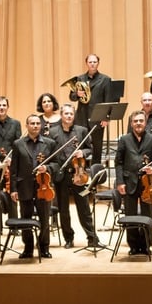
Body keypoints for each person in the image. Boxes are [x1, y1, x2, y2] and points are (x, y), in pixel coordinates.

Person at [49, 103, 102, 249]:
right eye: (66, 113)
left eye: (71, 114)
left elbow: (89, 149)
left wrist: (82, 153)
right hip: (61, 174)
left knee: (84, 207)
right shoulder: (53, 132)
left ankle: (92, 237)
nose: (69, 116)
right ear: (61, 115)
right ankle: (68, 238)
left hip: (79, 173)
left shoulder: (82, 131)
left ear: (74, 115)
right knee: (63, 209)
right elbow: (49, 152)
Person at [9, 114, 59, 258]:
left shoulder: (49, 143)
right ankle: (28, 248)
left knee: (44, 218)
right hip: (24, 186)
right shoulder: (18, 144)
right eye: (32, 123)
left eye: (38, 123)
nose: (36, 126)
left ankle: (44, 248)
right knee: (26, 218)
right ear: (27, 125)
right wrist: (13, 189)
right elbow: (14, 169)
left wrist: (47, 168)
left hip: (43, 187)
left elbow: (56, 164)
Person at [115, 110, 152, 255]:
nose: (138, 123)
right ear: (131, 123)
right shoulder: (124, 139)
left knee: (147, 215)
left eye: (141, 121)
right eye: (135, 121)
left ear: (145, 123)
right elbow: (118, 162)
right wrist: (120, 182)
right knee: (130, 215)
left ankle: (146, 244)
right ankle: (133, 246)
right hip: (129, 182)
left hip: (147, 183)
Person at [70, 54, 115, 165]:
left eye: (94, 62)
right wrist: (77, 94)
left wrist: (106, 118)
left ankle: (96, 171)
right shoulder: (79, 78)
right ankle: (81, 171)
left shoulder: (105, 79)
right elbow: (71, 97)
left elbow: (108, 100)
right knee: (81, 145)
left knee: (97, 146)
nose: (92, 64)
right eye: (90, 62)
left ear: (98, 63)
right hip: (82, 116)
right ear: (86, 63)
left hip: (98, 116)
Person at [0, 96, 21, 236]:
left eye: (3, 105)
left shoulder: (15, 123)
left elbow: (18, 145)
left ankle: (14, 226)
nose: (1, 107)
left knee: (12, 194)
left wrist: (11, 159)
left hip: (10, 164)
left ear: (8, 107)